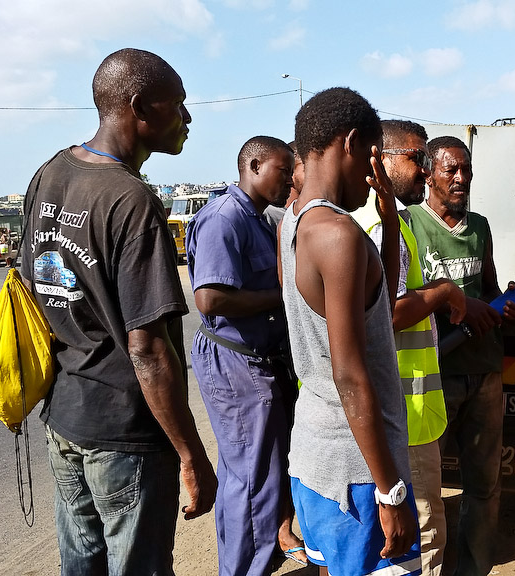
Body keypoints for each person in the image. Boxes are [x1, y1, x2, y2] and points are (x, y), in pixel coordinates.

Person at [19, 48, 217, 576]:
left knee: (80, 566)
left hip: (65, 417)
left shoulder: (48, 174)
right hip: (125, 433)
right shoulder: (132, 201)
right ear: (138, 107)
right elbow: (147, 348)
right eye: (178, 104)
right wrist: (191, 455)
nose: (187, 117)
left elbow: (33, 288)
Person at [277, 87, 421, 576]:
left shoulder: (293, 222)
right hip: (358, 472)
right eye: (372, 155)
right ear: (352, 142)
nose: (374, 171)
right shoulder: (339, 236)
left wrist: (389, 224)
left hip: (315, 457)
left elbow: (375, 307)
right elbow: (350, 376)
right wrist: (390, 491)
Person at [406, 136, 515, 576]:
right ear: (428, 173)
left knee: (484, 485)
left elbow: (488, 289)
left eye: (467, 170)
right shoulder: (408, 224)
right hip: (434, 372)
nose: (461, 178)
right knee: (425, 488)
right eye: (451, 170)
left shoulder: (479, 227)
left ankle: (474, 569)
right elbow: (399, 301)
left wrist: (503, 303)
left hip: (484, 371)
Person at [186, 135, 306, 575]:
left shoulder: (256, 217)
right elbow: (210, 299)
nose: (289, 180)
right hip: (236, 361)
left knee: (251, 474)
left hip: (255, 359)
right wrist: (283, 296)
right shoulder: (225, 218)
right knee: (254, 481)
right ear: (253, 166)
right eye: (282, 170)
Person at [368, 120, 467, 576]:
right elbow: (386, 314)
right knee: (424, 533)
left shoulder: (391, 221)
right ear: (381, 159)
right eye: (416, 158)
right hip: (403, 412)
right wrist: (444, 291)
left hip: (407, 409)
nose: (425, 170)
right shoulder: (379, 224)